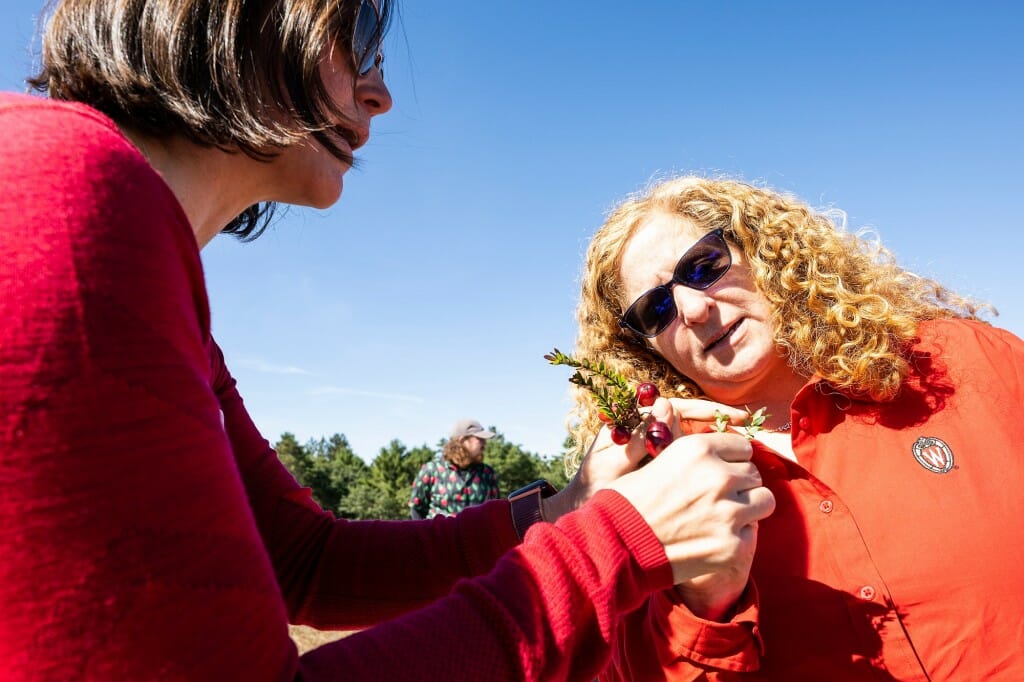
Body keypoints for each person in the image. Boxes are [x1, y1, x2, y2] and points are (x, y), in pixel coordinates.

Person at [0, 2, 776, 680]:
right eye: (355, 37)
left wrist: (565, 510)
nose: (380, 91)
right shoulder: (57, 201)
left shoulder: (150, 270)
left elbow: (307, 563)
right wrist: (619, 542)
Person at [569, 175, 1024, 680]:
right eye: (657, 309)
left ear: (760, 252)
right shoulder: (647, 496)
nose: (694, 309)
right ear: (644, 347)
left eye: (702, 266)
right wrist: (706, 604)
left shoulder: (970, 364)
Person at [410, 419, 501, 519]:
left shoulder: (487, 473)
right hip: (440, 534)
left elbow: (494, 510)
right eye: (480, 439)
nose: (484, 443)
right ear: (462, 440)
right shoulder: (431, 471)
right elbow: (416, 509)